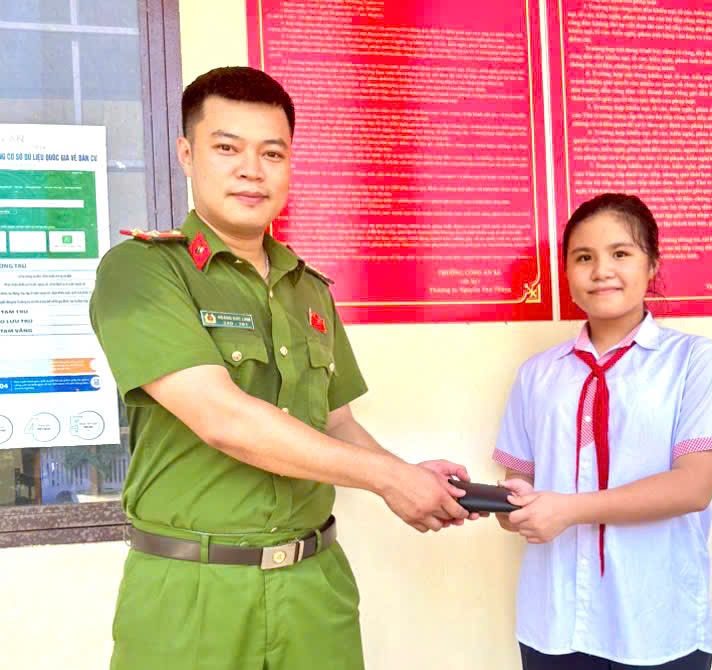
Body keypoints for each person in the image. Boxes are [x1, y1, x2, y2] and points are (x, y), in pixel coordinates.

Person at [90, 66, 474, 670]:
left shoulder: (308, 288)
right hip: (194, 591)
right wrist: (387, 479)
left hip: (313, 586)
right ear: (187, 155)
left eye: (272, 153)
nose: (252, 170)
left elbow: (337, 422)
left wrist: (407, 475)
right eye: (227, 148)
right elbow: (223, 418)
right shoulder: (143, 271)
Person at [492, 193, 712, 670]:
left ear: (653, 265)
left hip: (655, 625)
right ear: (567, 273)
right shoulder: (536, 375)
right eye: (583, 258)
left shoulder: (694, 360)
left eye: (620, 253)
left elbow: (694, 487)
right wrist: (508, 508)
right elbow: (518, 488)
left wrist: (567, 510)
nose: (601, 271)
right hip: (555, 624)